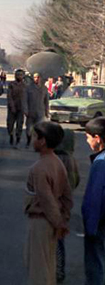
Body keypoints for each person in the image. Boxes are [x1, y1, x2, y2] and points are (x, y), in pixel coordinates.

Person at [24, 121, 73, 285]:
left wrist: (59, 223)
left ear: (42, 140)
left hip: (42, 221)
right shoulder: (58, 162)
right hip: (52, 222)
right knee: (48, 267)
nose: (32, 140)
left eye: (35, 137)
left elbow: (47, 201)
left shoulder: (39, 167)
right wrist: (63, 219)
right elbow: (67, 196)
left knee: (38, 271)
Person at [53, 129, 80, 283]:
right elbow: (76, 181)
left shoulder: (55, 159)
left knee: (51, 240)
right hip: (64, 206)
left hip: (54, 205)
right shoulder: (71, 160)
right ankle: (60, 270)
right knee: (59, 240)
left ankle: (53, 269)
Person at [83, 117, 105, 284]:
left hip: (98, 224)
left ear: (98, 138)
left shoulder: (100, 163)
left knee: (95, 265)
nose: (87, 141)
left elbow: (95, 198)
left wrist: (91, 228)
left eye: (88, 137)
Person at [26, 73, 50, 148]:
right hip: (30, 111)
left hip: (40, 112)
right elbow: (25, 100)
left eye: (38, 77)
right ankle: (28, 141)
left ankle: (38, 144)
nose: (36, 79)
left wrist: (47, 112)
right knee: (29, 129)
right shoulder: (29, 88)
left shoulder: (44, 88)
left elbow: (46, 101)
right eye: (35, 77)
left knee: (40, 129)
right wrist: (25, 110)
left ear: (40, 78)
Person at [7, 69, 28, 148]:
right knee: (10, 124)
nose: (19, 76)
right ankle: (11, 135)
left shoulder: (25, 86)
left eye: (20, 75)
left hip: (21, 108)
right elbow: (9, 96)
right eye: (17, 74)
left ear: (23, 76)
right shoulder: (11, 84)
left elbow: (27, 98)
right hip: (12, 108)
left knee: (19, 125)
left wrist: (26, 109)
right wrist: (12, 106)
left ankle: (18, 140)